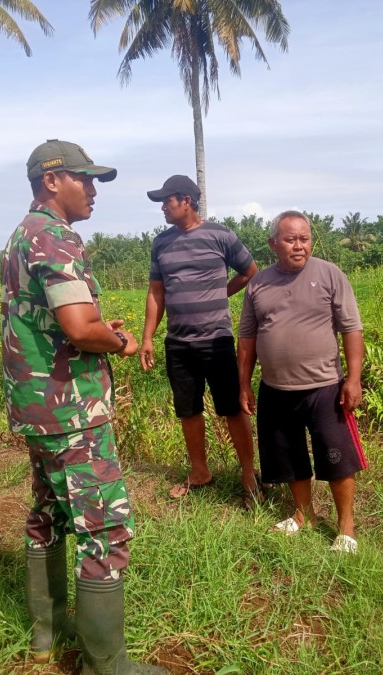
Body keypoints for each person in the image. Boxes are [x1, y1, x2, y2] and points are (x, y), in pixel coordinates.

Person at [1, 139, 166, 673]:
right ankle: (106, 665)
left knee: (47, 514)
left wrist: (97, 329)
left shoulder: (20, 237)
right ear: (53, 180)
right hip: (71, 413)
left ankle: (45, 639)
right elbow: (77, 326)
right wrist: (119, 341)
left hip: (38, 407)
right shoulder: (54, 236)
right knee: (103, 529)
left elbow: (58, 324)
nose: (93, 190)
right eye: (85, 179)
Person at [237, 210, 368, 554]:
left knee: (337, 458)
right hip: (276, 389)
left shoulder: (329, 274)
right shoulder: (258, 284)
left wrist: (353, 379)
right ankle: (303, 514)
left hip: (325, 387)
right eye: (290, 239)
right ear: (272, 244)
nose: (298, 246)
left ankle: (346, 528)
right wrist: (244, 384)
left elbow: (352, 329)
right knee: (289, 456)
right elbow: (247, 339)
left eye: (304, 238)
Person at [139, 174, 262, 507]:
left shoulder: (220, 235)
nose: (163, 207)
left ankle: (249, 474)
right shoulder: (161, 243)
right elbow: (156, 292)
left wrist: (220, 292)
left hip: (216, 340)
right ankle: (199, 472)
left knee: (232, 409)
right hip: (178, 343)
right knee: (188, 410)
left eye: (167, 201)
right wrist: (147, 337)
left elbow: (251, 272)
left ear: (186, 201)